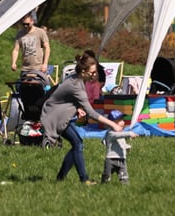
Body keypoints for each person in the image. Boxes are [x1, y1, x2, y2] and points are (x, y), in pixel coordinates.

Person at [40, 52, 125, 185]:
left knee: (77, 143)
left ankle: (61, 178)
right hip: (55, 117)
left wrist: (78, 107)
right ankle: (84, 180)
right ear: (84, 72)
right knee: (78, 144)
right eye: (92, 72)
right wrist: (113, 124)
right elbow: (91, 113)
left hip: (58, 113)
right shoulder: (76, 86)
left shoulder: (78, 78)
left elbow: (67, 98)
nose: (95, 75)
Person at [101, 109, 137, 184]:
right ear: (112, 123)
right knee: (107, 176)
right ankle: (103, 185)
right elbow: (117, 136)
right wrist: (129, 133)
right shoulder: (111, 132)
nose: (123, 122)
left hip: (121, 159)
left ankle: (125, 185)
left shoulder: (121, 132)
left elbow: (121, 142)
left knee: (124, 177)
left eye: (123, 120)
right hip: (111, 159)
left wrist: (126, 146)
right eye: (120, 120)